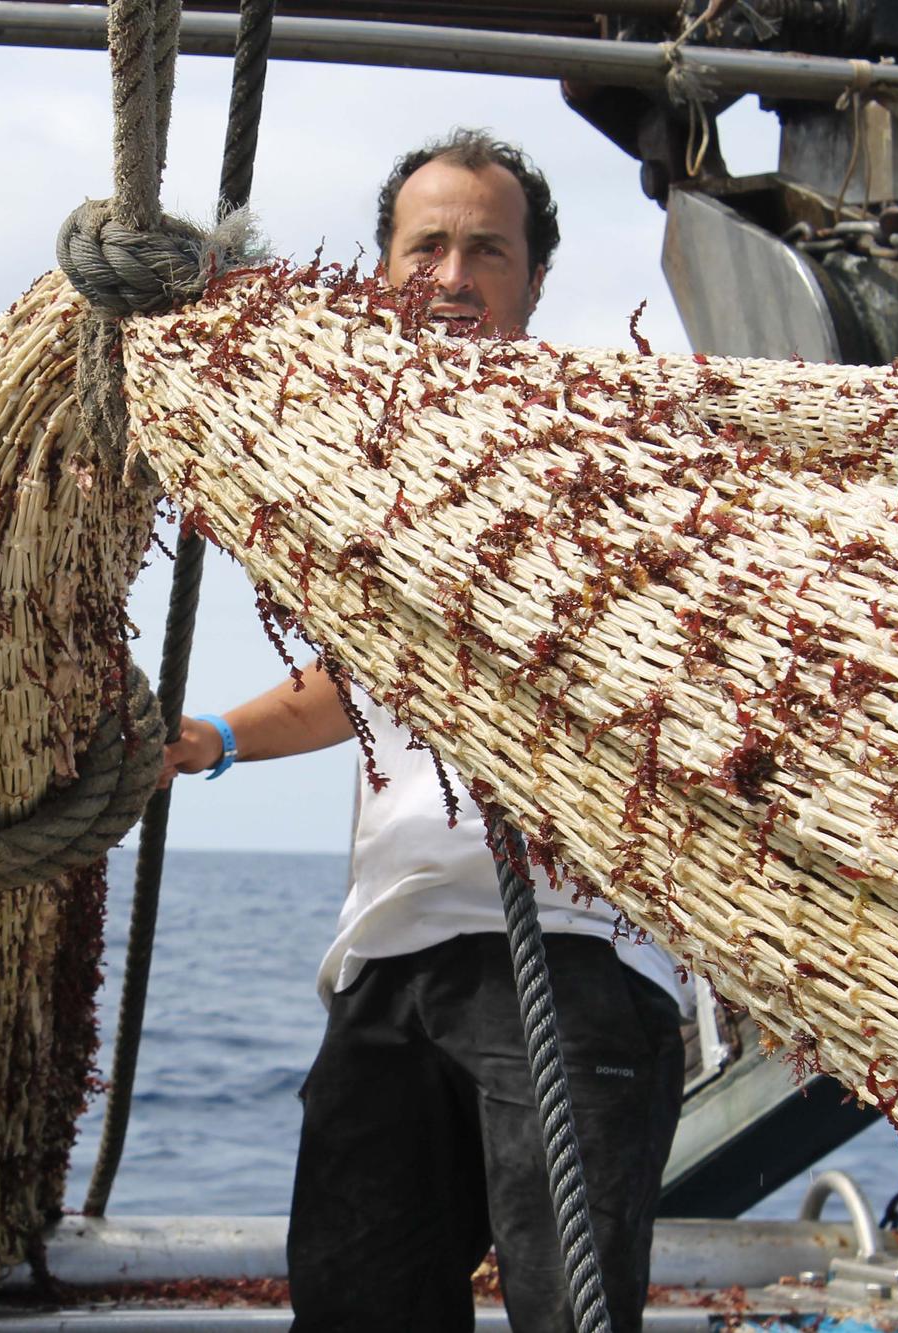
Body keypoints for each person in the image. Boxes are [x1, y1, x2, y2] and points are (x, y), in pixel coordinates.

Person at [165, 130, 687, 1333]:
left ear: (534, 282)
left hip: (565, 957)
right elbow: (362, 680)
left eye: (485, 251)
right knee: (356, 1306)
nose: (451, 277)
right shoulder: (366, 475)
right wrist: (211, 737)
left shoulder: (608, 457)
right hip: (387, 961)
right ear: (382, 268)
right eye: (426, 246)